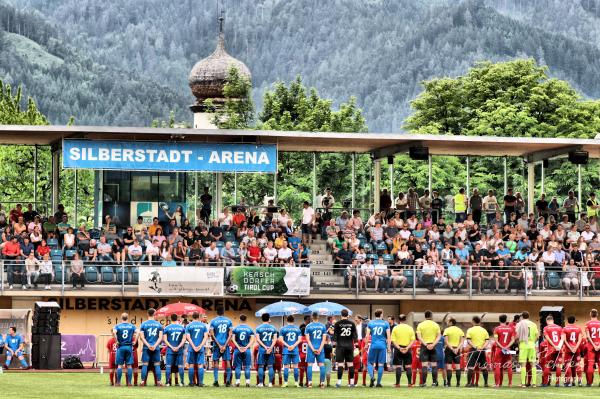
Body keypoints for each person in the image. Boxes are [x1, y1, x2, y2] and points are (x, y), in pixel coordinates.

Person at [332, 308, 358, 388]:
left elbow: (335, 336)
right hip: (350, 346)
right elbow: (355, 336)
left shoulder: (337, 324)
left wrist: (333, 347)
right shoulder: (352, 324)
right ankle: (352, 383)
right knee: (350, 364)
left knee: (340, 364)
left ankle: (339, 383)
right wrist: (356, 347)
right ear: (348, 315)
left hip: (340, 346)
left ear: (341, 315)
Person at [138, 308, 163, 386]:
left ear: (147, 314)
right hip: (156, 348)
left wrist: (148, 345)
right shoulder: (159, 324)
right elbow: (160, 337)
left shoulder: (143, 324)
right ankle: (159, 382)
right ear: (154, 314)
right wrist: (155, 345)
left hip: (146, 347)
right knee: (157, 364)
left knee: (145, 364)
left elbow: (142, 337)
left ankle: (142, 382)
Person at [366, 308, 391, 387]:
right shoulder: (386, 323)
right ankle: (378, 383)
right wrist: (389, 347)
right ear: (381, 314)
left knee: (370, 363)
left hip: (373, 345)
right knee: (381, 364)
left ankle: (372, 377)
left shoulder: (370, 323)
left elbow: (367, 336)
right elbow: (389, 337)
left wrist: (366, 345)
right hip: (382, 346)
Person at [416, 310, 441, 387]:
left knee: (424, 365)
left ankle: (424, 383)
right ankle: (434, 383)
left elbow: (419, 337)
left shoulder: (420, 325)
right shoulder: (436, 325)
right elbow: (439, 336)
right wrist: (433, 344)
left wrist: (426, 344)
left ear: (425, 316)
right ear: (431, 316)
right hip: (433, 346)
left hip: (424, 346)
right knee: (434, 365)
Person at [209, 307, 233, 387]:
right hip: (225, 345)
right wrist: (225, 345)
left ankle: (216, 381)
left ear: (217, 312)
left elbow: (212, 334)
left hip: (217, 345)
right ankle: (228, 381)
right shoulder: (229, 321)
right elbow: (230, 334)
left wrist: (219, 345)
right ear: (223, 312)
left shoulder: (213, 321)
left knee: (216, 362)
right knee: (228, 362)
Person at [112, 313, 137, 386]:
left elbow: (114, 332)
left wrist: (116, 341)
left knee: (119, 366)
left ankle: (118, 382)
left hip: (121, 347)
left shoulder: (117, 326)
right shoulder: (132, 326)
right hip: (129, 347)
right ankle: (129, 383)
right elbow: (138, 332)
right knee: (129, 366)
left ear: (121, 318)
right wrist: (135, 341)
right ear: (128, 318)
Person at [390, 314, 415, 387]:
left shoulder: (395, 328)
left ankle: (397, 384)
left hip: (398, 349)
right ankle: (409, 383)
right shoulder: (410, 328)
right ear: (405, 319)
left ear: (398, 320)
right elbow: (413, 340)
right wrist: (407, 348)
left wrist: (399, 348)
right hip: (407, 348)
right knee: (408, 366)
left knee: (398, 366)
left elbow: (393, 340)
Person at [185, 311, 209, 386]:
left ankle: (191, 383)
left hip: (191, 348)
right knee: (200, 365)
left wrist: (194, 346)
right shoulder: (203, 326)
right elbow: (206, 337)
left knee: (191, 365)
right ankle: (201, 383)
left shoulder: (188, 326)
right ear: (199, 317)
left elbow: (188, 338)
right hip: (200, 348)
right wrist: (200, 345)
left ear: (192, 317)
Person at [304, 312, 328, 388]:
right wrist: (320, 349)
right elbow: (324, 340)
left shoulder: (308, 326)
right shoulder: (323, 326)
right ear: (318, 317)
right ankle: (322, 383)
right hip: (320, 348)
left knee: (310, 365)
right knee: (321, 365)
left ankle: (310, 383)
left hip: (311, 348)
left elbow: (308, 340)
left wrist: (313, 349)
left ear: (312, 317)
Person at [465, 316, 490, 387]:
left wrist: (475, 347)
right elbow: (487, 341)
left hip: (473, 350)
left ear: (473, 321)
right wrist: (482, 347)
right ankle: (486, 383)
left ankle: (469, 383)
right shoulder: (484, 330)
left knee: (470, 367)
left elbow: (469, 340)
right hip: (482, 350)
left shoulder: (470, 330)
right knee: (484, 367)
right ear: (479, 321)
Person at [255, 313, 278, 387]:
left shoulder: (258, 328)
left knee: (261, 366)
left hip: (262, 349)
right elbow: (275, 340)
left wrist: (265, 347)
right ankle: (270, 383)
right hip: (270, 349)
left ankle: (261, 383)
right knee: (270, 366)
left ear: (262, 319)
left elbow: (258, 340)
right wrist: (270, 347)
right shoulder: (273, 328)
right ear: (269, 318)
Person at [516, 311, 538, 388]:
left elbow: (517, 335)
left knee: (523, 364)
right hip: (531, 345)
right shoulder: (533, 324)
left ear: (522, 316)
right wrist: (533, 342)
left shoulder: (519, 324)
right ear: (528, 316)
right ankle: (534, 383)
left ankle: (523, 383)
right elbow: (537, 335)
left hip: (523, 345)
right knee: (533, 364)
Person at [492, 314, 516, 387]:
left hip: (499, 349)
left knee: (498, 366)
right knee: (509, 366)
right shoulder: (511, 329)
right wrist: (507, 347)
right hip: (507, 350)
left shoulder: (497, 329)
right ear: (506, 320)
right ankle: (510, 383)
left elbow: (496, 340)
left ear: (499, 320)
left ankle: (497, 384)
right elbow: (513, 340)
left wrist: (502, 347)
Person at [279, 315, 302, 387]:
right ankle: (296, 383)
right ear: (293, 320)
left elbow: (281, 340)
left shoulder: (283, 329)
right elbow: (299, 340)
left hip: (286, 350)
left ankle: (285, 383)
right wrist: (293, 346)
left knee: (286, 367)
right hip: (295, 350)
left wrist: (288, 346)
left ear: (287, 320)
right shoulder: (297, 329)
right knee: (296, 366)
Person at [163, 313, 186, 386]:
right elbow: (184, 339)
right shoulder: (182, 328)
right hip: (179, 350)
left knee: (168, 366)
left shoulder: (167, 328)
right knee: (180, 366)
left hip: (170, 350)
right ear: (177, 318)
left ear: (170, 318)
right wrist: (178, 346)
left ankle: (167, 383)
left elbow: (165, 340)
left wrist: (172, 347)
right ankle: (182, 382)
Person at [542, 314, 563, 387]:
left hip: (551, 349)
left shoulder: (546, 328)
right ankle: (557, 383)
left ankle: (545, 383)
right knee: (558, 366)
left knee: (547, 366)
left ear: (547, 321)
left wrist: (554, 346)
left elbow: (547, 338)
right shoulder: (559, 327)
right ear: (553, 320)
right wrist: (558, 346)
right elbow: (562, 338)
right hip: (559, 349)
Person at [443, 317, 464, 387]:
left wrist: (452, 348)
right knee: (458, 367)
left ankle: (449, 383)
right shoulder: (460, 330)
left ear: (451, 322)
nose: (447, 322)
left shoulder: (447, 330)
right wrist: (457, 348)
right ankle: (458, 383)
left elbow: (446, 341)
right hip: (457, 350)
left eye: (448, 321)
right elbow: (462, 341)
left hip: (449, 349)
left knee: (449, 367)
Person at [562, 315, 583, 387]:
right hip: (576, 350)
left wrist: (571, 348)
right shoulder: (578, 328)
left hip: (568, 350)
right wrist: (575, 348)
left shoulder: (564, 328)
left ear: (567, 320)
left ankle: (568, 382)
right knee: (577, 365)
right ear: (574, 321)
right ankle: (579, 381)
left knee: (568, 365)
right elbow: (580, 340)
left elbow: (564, 340)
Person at [584, 308, 600, 386]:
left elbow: (588, 337)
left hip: (591, 347)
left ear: (590, 314)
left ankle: (589, 383)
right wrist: (598, 345)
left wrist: (594, 345)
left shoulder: (587, 324)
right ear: (597, 314)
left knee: (590, 364)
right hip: (599, 346)